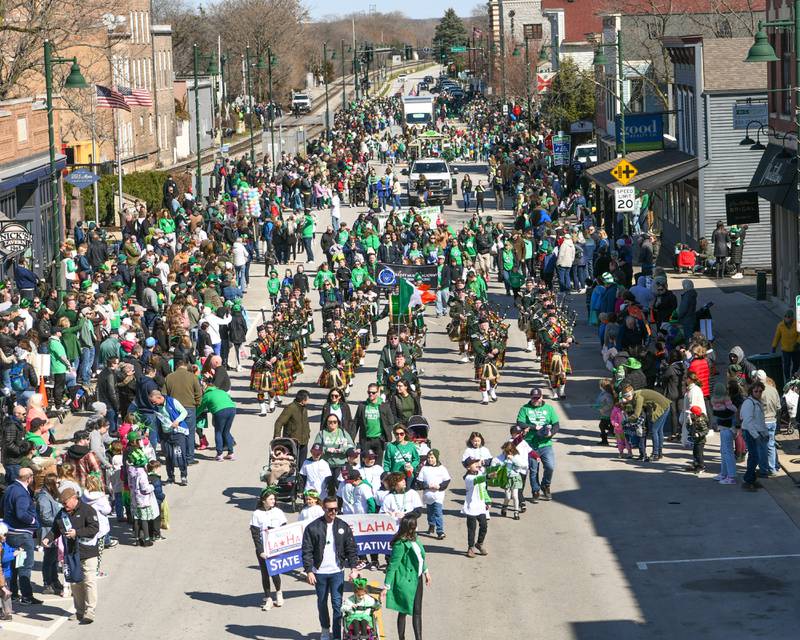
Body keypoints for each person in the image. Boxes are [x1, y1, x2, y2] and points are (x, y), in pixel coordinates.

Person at [301, 495, 362, 640]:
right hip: (319, 572)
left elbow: (351, 548)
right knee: (322, 603)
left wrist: (354, 568)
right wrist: (309, 570)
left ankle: (336, 634)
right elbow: (307, 550)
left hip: (337, 572)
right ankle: (325, 629)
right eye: (330, 509)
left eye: (336, 509)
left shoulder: (342, 526)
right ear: (323, 508)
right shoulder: (313, 527)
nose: (333, 512)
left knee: (337, 604)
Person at [42, 487, 100, 624]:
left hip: (88, 551)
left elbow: (94, 528)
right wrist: (48, 538)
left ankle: (90, 611)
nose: (64, 505)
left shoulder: (87, 510)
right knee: (75, 582)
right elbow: (55, 529)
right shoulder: (62, 513)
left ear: (74, 498)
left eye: (66, 502)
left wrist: (77, 532)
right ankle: (79, 611)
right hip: (72, 553)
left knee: (89, 581)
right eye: (62, 503)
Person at [381, 513, 430, 640]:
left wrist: (426, 572)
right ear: (408, 528)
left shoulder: (415, 538)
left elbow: (420, 557)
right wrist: (386, 586)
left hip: (417, 579)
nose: (416, 528)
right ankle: (401, 637)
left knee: (417, 611)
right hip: (406, 582)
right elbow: (392, 566)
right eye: (414, 526)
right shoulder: (400, 544)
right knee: (403, 611)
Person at [1, 467, 41, 605]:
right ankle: (26, 596)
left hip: (11, 533)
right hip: (22, 534)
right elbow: (21, 514)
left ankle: (13, 593)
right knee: (25, 565)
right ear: (29, 478)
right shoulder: (21, 493)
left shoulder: (10, 489)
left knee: (13, 565)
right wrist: (33, 521)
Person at [517, 388, 560, 502]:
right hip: (531, 444)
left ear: (542, 397)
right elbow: (520, 423)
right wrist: (533, 427)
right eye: (533, 398)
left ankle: (545, 485)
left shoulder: (549, 408)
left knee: (550, 466)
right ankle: (535, 491)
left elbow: (556, 424)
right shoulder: (525, 409)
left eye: (537, 397)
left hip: (545, 444)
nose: (535, 400)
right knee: (533, 470)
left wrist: (551, 433)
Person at [250, 487, 287, 611]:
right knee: (265, 573)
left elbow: (284, 529)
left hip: (275, 547)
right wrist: (260, 551)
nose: (273, 501)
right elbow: (255, 534)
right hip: (263, 548)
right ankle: (268, 598)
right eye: (270, 499)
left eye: (274, 499)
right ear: (263, 500)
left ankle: (279, 593)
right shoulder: (256, 514)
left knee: (275, 572)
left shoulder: (278, 512)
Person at [313, 414, 355, 496]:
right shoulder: (322, 433)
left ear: (338, 423)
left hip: (341, 463)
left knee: (339, 484)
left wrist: (342, 450)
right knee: (327, 485)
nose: (332, 424)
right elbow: (316, 447)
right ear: (326, 423)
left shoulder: (343, 433)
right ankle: (328, 503)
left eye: (335, 422)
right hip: (326, 463)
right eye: (330, 422)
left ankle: (341, 502)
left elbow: (351, 445)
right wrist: (326, 449)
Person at [353, 384, 395, 463]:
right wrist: (351, 440)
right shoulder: (362, 406)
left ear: (377, 392)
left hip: (379, 440)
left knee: (377, 466)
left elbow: (391, 422)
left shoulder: (384, 406)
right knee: (365, 464)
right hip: (365, 440)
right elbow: (356, 423)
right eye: (369, 392)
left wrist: (384, 436)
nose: (370, 394)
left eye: (373, 392)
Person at [197, 382, 237, 462]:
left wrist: (195, 415)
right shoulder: (221, 391)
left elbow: (200, 408)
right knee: (226, 432)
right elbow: (228, 398)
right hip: (232, 409)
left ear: (206, 389)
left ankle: (219, 454)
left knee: (218, 432)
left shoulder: (207, 395)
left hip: (220, 412)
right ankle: (231, 453)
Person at [416, 450, 450, 539]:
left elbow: (447, 480)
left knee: (438, 512)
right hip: (428, 495)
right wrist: (427, 486)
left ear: (436, 458)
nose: (430, 459)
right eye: (428, 458)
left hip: (438, 495)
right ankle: (431, 524)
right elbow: (419, 482)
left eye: (432, 458)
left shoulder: (442, 468)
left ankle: (440, 531)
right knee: (430, 512)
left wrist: (439, 486)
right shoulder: (424, 469)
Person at [740, 381, 767, 492]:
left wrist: (765, 433)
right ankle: (748, 480)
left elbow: (761, 421)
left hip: (755, 432)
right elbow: (748, 421)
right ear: (751, 391)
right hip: (749, 432)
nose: (759, 393)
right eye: (756, 391)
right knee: (754, 456)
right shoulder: (749, 403)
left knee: (755, 456)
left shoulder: (757, 402)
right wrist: (756, 435)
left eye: (760, 391)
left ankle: (751, 478)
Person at [461, 457, 490, 558]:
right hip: (471, 507)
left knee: (484, 526)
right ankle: (470, 547)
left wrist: (487, 500)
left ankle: (479, 543)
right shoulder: (468, 478)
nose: (477, 464)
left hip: (481, 506)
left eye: (477, 462)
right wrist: (488, 476)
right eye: (474, 463)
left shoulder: (480, 474)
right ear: (468, 467)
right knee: (472, 528)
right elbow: (477, 480)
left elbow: (483, 489)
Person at [274, 389, 311, 462]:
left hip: (304, 442)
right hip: (292, 442)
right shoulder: (290, 408)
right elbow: (279, 422)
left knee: (302, 465)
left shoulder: (304, 408)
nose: (309, 401)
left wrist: (308, 433)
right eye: (308, 399)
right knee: (291, 465)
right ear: (303, 400)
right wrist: (277, 436)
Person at [772, 310, 800, 383]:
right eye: (786, 317)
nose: (787, 318)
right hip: (786, 349)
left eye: (789, 317)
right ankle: (787, 379)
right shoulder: (780, 325)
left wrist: (798, 342)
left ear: (792, 318)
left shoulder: (797, 324)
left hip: (796, 349)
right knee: (787, 365)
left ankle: (793, 376)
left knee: (796, 364)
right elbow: (777, 337)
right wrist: (774, 347)